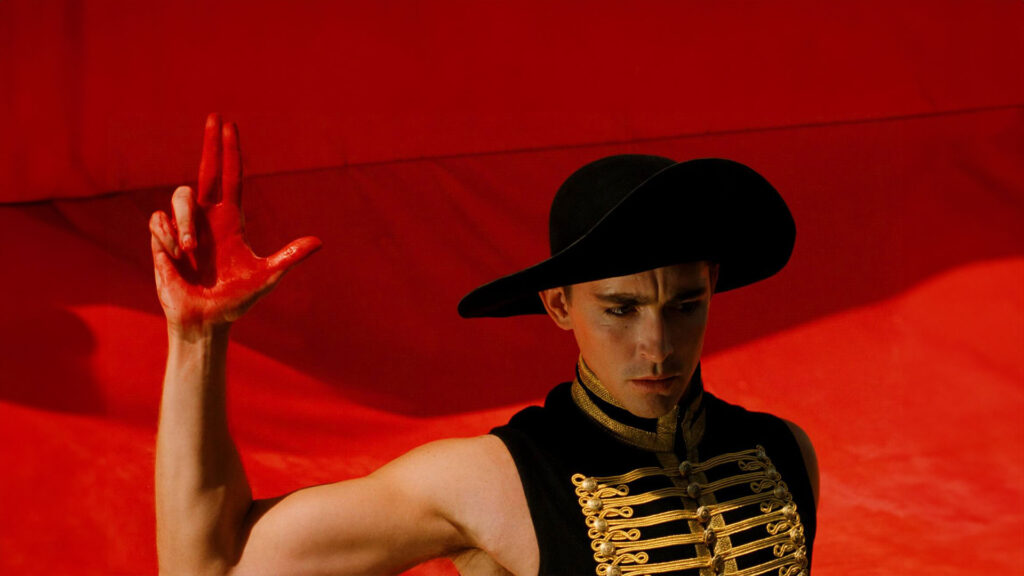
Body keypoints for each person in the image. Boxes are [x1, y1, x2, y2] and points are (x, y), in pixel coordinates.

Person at [151, 114, 818, 576]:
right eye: (620, 309)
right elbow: (213, 567)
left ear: (712, 285)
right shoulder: (491, 480)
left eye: (685, 305)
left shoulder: (787, 452)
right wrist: (198, 339)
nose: (658, 346)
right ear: (559, 305)